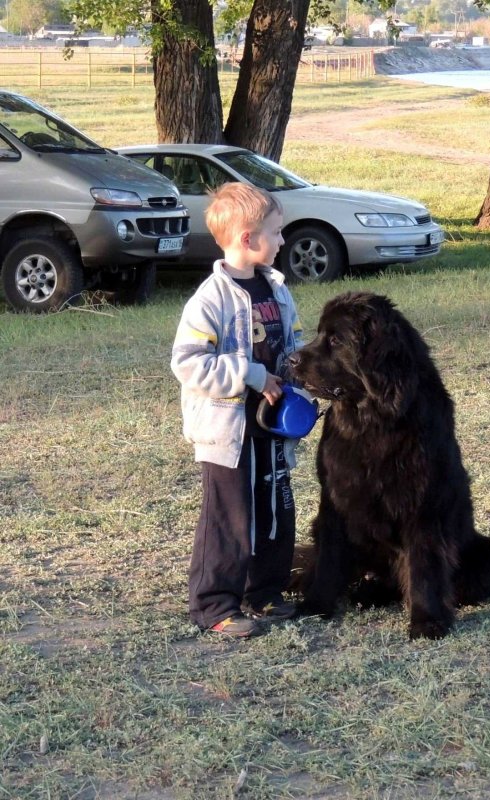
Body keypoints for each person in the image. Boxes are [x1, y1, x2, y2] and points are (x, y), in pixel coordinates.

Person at [171, 182, 304, 638]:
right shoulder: (210, 300)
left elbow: (293, 344)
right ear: (248, 238)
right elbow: (188, 363)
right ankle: (214, 605)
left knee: (275, 509)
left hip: (272, 425)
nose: (282, 240)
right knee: (230, 517)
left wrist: (300, 379)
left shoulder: (277, 289)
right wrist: (250, 374)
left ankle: (263, 591)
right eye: (277, 231)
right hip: (228, 431)